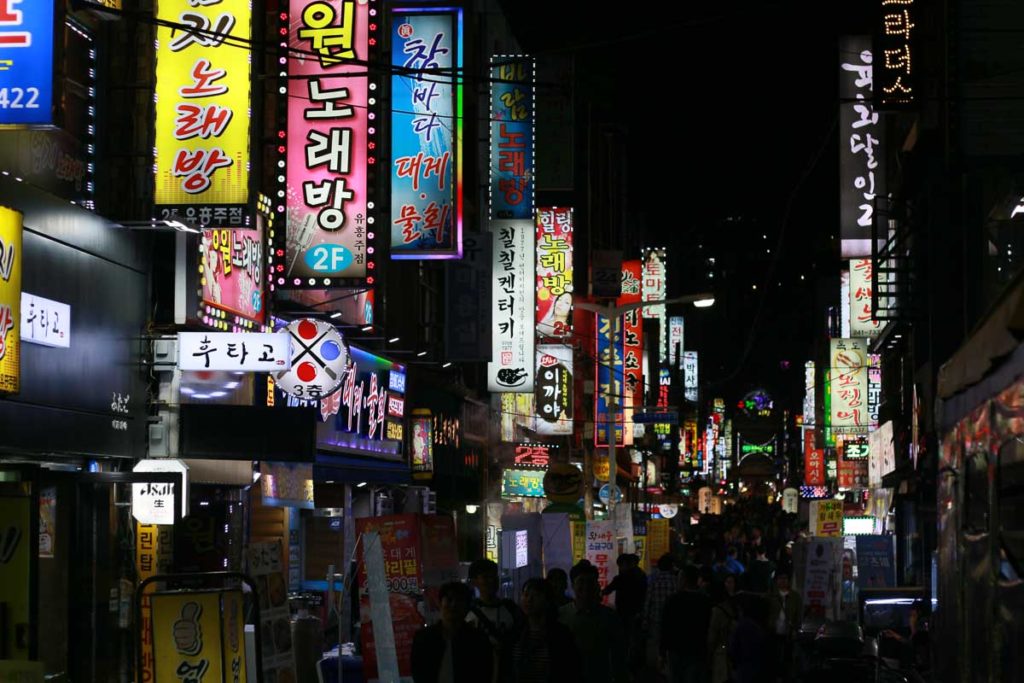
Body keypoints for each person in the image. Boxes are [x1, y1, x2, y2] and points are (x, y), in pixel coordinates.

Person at [559, 561, 629, 683]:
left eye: (590, 582)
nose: (586, 587)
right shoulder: (560, 615)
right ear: (572, 585)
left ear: (597, 585)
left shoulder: (610, 616)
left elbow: (619, 654)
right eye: (581, 581)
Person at [411, 581, 493, 683]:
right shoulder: (423, 638)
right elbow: (418, 673)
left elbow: (484, 674)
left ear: (467, 607)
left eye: (459, 600)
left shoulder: (478, 640)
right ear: (440, 603)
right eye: (449, 599)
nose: (453, 605)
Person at [511, 577, 583, 683]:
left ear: (547, 600)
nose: (529, 600)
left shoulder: (560, 634)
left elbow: (570, 670)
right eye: (526, 595)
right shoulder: (515, 632)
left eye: (536, 595)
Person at [466, 559, 524, 683]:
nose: (491, 581)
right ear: (474, 582)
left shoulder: (511, 609)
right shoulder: (467, 613)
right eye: (486, 577)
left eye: (494, 576)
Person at [660, 564, 712, 683]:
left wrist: (662, 652)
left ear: (683, 580)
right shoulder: (705, 601)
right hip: (697, 648)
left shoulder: (673, 600)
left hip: (675, 649)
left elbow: (665, 627)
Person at [729, 592, 774, 683]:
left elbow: (734, 650)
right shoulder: (763, 626)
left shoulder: (742, 625)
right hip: (761, 671)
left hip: (744, 671)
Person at [766, 570, 802, 678]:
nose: (783, 581)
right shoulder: (771, 595)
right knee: (773, 659)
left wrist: (796, 629)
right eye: (780, 578)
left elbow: (798, 616)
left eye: (785, 578)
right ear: (776, 581)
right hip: (773, 631)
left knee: (787, 660)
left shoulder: (795, 597)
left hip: (788, 634)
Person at [643, 554, 678, 662]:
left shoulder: (652, 581)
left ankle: (655, 667)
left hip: (655, 618)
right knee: (671, 644)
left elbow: (647, 602)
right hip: (672, 619)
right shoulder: (676, 581)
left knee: (655, 644)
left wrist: (645, 620)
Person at [707, 574, 740, 683]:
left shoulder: (717, 610)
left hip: (721, 650)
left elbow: (712, 635)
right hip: (735, 649)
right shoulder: (738, 604)